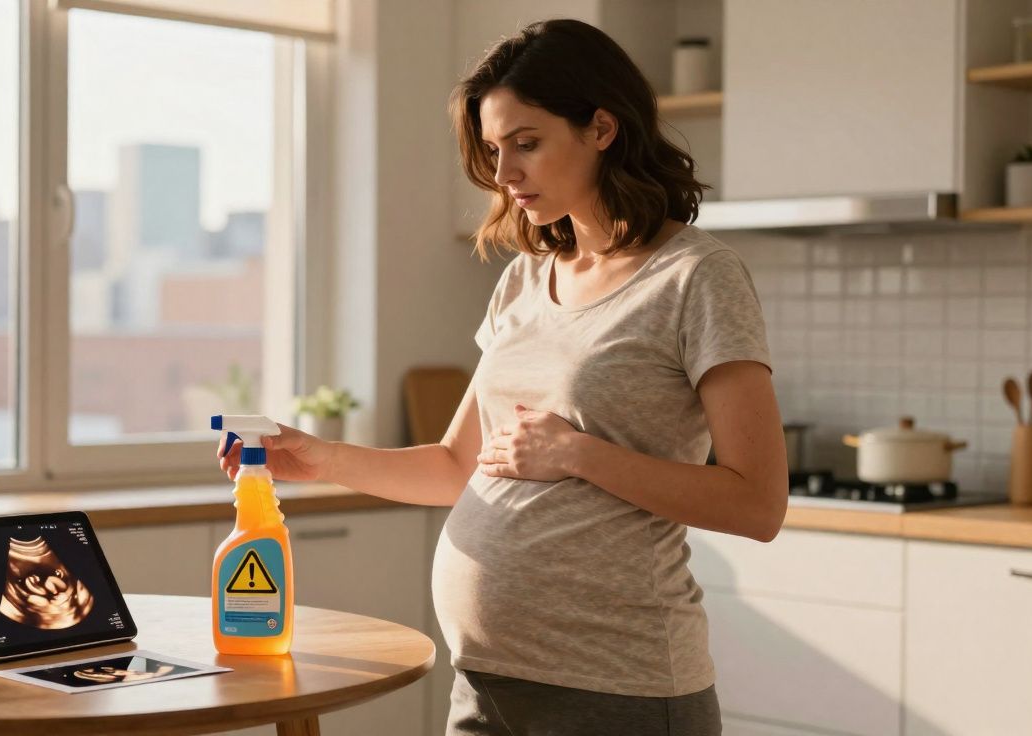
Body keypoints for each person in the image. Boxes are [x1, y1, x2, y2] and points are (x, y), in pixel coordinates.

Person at [219, 18, 787, 736]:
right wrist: (319, 457)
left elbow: (758, 504)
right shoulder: (526, 278)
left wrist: (579, 454)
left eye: (527, 143)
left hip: (620, 694)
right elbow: (458, 466)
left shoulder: (697, 278)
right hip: (487, 685)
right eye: (493, 150)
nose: (505, 172)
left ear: (602, 128)